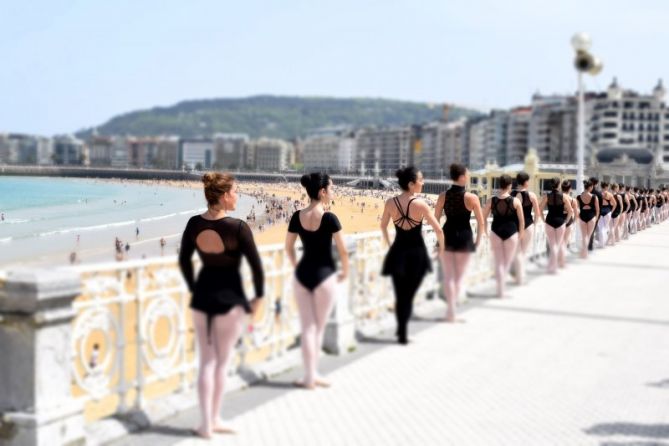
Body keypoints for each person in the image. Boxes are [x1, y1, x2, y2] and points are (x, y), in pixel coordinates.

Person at [179, 172, 264, 439]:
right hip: (230, 298)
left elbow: (184, 261)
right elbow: (256, 267)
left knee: (206, 363)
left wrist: (194, 288)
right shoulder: (237, 227)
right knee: (221, 363)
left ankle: (207, 424)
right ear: (225, 195)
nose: (237, 196)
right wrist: (258, 297)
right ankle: (214, 419)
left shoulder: (194, 223)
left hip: (202, 297)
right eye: (235, 192)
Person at [286, 172, 349, 388]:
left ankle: (309, 376)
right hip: (325, 277)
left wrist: (296, 266)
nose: (333, 192)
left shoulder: (297, 216)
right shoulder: (330, 218)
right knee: (318, 329)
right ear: (322, 192)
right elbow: (343, 251)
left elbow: (288, 248)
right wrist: (346, 272)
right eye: (331, 188)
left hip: (303, 275)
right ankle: (312, 376)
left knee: (307, 328)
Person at [381, 167, 444, 343]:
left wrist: (388, 244)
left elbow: (382, 226)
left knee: (401, 294)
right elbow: (438, 230)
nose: (423, 183)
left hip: (397, 252)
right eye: (421, 180)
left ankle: (401, 329)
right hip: (416, 254)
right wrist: (441, 248)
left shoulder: (390, 203)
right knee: (408, 294)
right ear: (411, 184)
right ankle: (402, 331)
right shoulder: (421, 204)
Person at [433, 163, 485, 322]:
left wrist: (437, 241)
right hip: (464, 238)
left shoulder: (443, 196)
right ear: (462, 177)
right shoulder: (472, 197)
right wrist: (478, 241)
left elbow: (436, 220)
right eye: (468, 175)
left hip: (446, 236)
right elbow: (481, 222)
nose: (469, 177)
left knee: (448, 277)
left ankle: (450, 312)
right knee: (459, 278)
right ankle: (452, 313)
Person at [483, 174, 525, 297]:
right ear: (510, 185)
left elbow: (483, 218)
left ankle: (500, 290)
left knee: (499, 262)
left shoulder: (491, 200)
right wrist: (521, 234)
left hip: (495, 232)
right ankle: (502, 290)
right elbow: (521, 221)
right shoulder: (516, 201)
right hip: (511, 233)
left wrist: (485, 231)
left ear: (499, 184)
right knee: (506, 263)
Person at [511, 172, 543, 284]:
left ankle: (518, 275)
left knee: (516, 252)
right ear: (525, 182)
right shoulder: (532, 195)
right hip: (528, 225)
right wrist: (533, 224)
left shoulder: (511, 194)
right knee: (523, 253)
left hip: (514, 226)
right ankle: (520, 276)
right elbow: (538, 213)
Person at [540, 178, 573, 274]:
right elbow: (570, 211)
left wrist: (543, 220)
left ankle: (551, 265)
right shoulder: (563, 196)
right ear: (559, 185)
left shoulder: (547, 196)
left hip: (549, 221)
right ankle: (553, 267)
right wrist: (566, 221)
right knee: (557, 246)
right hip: (560, 222)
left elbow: (540, 209)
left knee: (552, 245)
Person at [577, 179, 600, 259]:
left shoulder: (579, 197)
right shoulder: (594, 197)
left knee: (584, 236)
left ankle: (583, 252)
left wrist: (578, 217)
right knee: (588, 236)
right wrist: (596, 218)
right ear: (590, 187)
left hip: (582, 216)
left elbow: (577, 209)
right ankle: (585, 252)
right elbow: (597, 210)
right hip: (591, 217)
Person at [559, 180, 578, 268]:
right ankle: (562, 262)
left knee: (558, 242)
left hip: (558, 220)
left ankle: (557, 260)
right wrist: (573, 221)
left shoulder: (559, 197)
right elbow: (576, 213)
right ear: (570, 189)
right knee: (564, 242)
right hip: (568, 220)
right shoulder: (572, 200)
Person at [588, 177, 603, 250]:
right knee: (592, 231)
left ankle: (587, 245)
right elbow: (600, 206)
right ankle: (590, 246)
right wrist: (598, 216)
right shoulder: (598, 194)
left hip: (584, 214)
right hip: (594, 214)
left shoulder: (583, 193)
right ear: (596, 184)